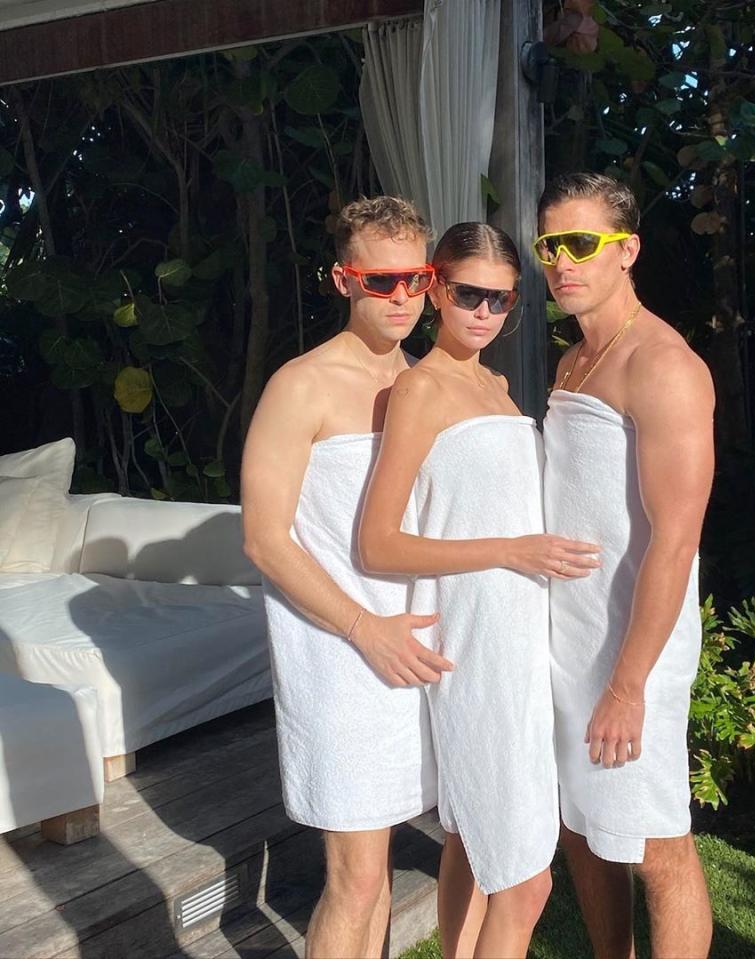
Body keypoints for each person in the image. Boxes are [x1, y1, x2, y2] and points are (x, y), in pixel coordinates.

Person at [357, 221, 600, 959]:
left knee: (470, 844)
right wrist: (512, 549)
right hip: (475, 645)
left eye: (501, 300)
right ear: (434, 288)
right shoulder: (419, 390)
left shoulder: (495, 384)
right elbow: (378, 542)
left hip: (525, 638)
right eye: (469, 294)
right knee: (527, 883)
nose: (484, 314)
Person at [241, 196, 463, 959]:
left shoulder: (431, 382)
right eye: (381, 281)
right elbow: (266, 540)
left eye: (417, 278)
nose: (401, 296)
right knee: (359, 878)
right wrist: (364, 628)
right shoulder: (299, 385)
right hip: (340, 656)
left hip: (418, 653)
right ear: (343, 280)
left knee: (384, 875)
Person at [537, 173, 715, 959]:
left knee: (656, 842)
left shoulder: (663, 365)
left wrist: (628, 683)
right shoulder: (574, 360)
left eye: (581, 244)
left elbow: (675, 541)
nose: (561, 262)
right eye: (551, 245)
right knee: (580, 824)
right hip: (568, 634)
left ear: (627, 250)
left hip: (632, 648)